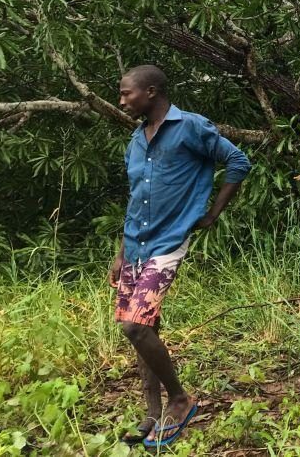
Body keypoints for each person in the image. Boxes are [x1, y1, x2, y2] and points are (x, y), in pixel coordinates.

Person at [113, 65, 251, 447]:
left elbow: (238, 162)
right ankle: (152, 413)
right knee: (144, 329)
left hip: (169, 242)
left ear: (152, 91)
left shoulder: (191, 126)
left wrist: (211, 213)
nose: (122, 101)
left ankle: (180, 399)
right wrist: (121, 253)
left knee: (134, 325)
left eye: (127, 94)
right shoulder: (137, 140)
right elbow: (135, 200)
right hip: (135, 244)